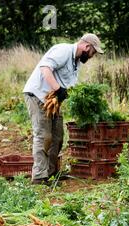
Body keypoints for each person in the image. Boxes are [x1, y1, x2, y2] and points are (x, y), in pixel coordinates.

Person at [23, 33, 104, 185]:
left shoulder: (77, 62)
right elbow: (45, 68)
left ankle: (51, 173)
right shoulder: (63, 50)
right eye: (93, 52)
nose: (93, 56)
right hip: (38, 96)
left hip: (53, 101)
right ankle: (39, 177)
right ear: (87, 46)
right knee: (44, 136)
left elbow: (70, 85)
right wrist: (58, 89)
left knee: (57, 137)